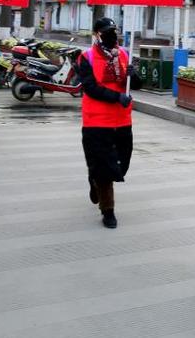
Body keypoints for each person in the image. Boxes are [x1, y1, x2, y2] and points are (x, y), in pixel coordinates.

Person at [76, 17, 141, 229]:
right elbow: (90, 87)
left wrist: (134, 75)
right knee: (104, 168)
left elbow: (135, 85)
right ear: (96, 34)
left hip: (122, 121)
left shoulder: (123, 54)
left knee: (122, 165)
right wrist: (116, 97)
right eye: (106, 32)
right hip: (96, 122)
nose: (112, 35)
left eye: (114, 31)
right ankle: (108, 210)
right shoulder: (86, 57)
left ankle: (94, 179)